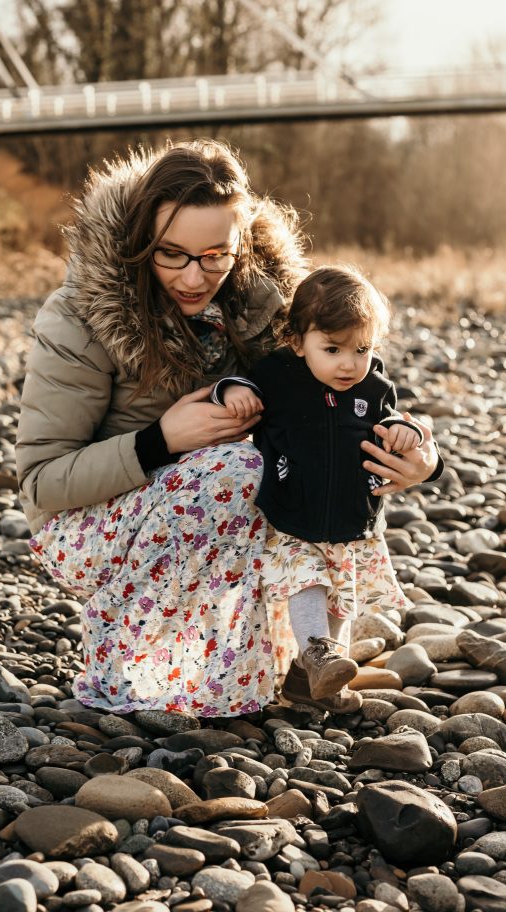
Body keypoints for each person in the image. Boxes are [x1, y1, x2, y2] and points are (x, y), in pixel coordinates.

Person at [17, 139, 442, 717]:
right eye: (172, 254)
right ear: (142, 243)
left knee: (329, 457)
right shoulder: (78, 318)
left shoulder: (271, 310)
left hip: (209, 502)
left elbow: (355, 392)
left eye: (217, 254)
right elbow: (40, 483)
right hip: (85, 527)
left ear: (241, 247)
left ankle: (309, 657)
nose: (195, 276)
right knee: (237, 470)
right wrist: (160, 440)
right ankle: (158, 674)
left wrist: (421, 459)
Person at [213, 264, 434, 713]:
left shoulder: (372, 387)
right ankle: (315, 653)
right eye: (332, 349)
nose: (349, 363)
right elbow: (235, 384)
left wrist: (402, 432)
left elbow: (391, 419)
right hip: (293, 515)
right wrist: (232, 391)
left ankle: (309, 683)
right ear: (298, 342)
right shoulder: (280, 375)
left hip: (351, 522)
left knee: (340, 603)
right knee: (308, 582)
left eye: (362, 349)